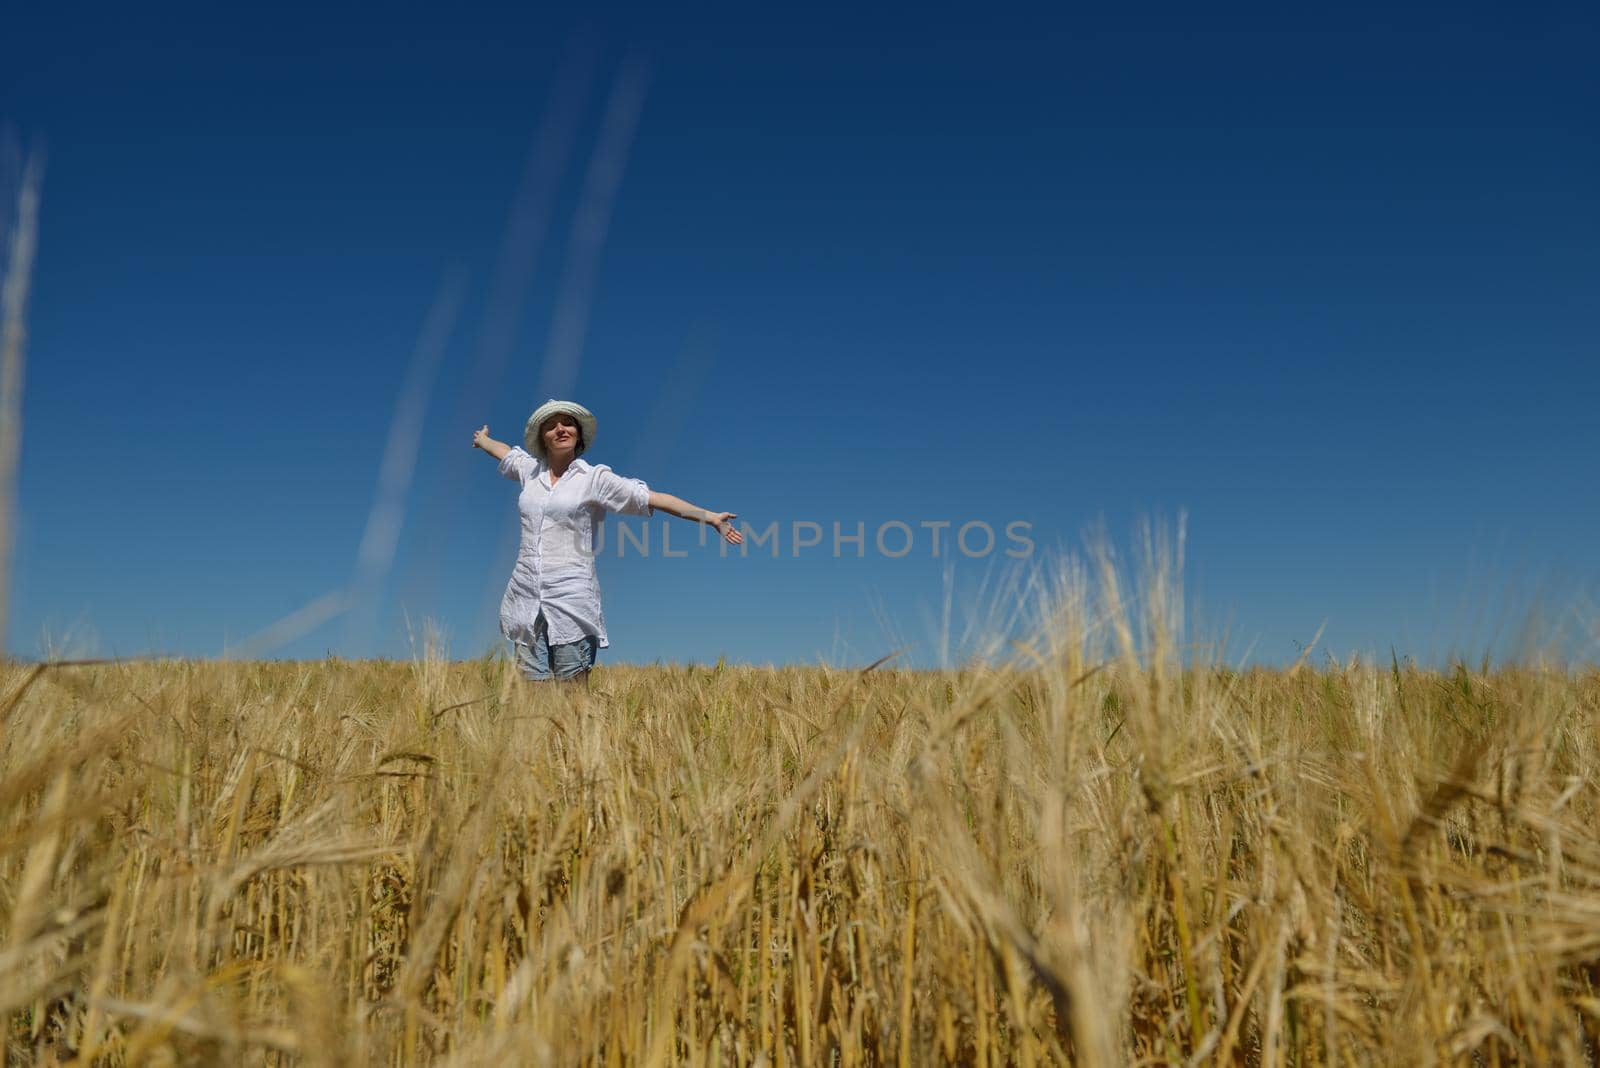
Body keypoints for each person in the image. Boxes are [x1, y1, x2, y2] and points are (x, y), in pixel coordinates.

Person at [471, 399, 743, 685]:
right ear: (542, 438)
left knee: (573, 699)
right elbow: (505, 453)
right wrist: (484, 440)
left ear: (579, 433)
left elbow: (652, 498)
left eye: (567, 423)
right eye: (550, 426)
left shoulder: (595, 479)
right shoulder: (531, 472)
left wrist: (710, 517)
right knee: (532, 703)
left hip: (570, 601)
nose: (559, 429)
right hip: (525, 599)